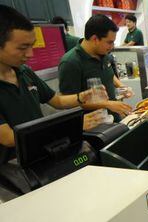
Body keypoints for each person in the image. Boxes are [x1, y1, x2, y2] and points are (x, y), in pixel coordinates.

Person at [0, 5, 105, 164]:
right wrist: (71, 128)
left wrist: (81, 97)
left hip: (41, 157)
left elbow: (57, 101)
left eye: (31, 46)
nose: (29, 54)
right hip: (11, 172)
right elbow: (8, 137)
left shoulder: (24, 72)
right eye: (22, 48)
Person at [58, 14, 133, 122]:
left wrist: (123, 87)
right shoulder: (70, 62)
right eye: (109, 42)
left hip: (114, 118)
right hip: (95, 127)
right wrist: (107, 104)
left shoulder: (103, 53)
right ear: (95, 39)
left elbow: (109, 74)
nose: (112, 47)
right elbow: (70, 104)